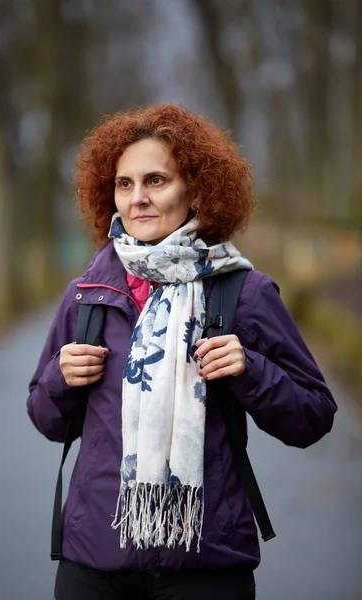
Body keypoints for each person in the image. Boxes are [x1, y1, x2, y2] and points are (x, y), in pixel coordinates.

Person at [27, 104, 337, 600]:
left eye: (156, 180)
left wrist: (249, 370)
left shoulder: (245, 293)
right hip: (94, 563)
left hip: (205, 565)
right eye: (124, 184)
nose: (138, 198)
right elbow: (45, 419)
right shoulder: (88, 292)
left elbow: (314, 417)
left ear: (196, 187)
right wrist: (61, 378)